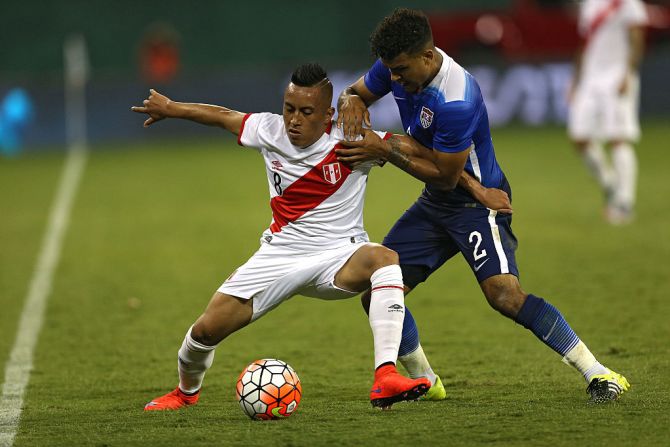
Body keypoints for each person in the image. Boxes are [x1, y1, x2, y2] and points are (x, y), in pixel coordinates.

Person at [336, 8, 629, 403]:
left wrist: (384, 147)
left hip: (476, 206)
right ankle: (427, 381)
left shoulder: (455, 97)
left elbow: (443, 173)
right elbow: (355, 90)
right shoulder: (398, 64)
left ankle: (599, 373)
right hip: (436, 202)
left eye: (401, 69)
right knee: (378, 290)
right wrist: (350, 98)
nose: (393, 79)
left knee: (505, 295)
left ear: (427, 56)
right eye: (389, 70)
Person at [131, 63, 433, 411]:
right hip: (278, 255)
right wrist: (171, 109)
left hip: (339, 256)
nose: (294, 120)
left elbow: (420, 154)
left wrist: (387, 152)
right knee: (203, 333)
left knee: (384, 258)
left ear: (328, 115)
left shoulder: (353, 140)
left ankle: (385, 376)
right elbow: (222, 116)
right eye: (289, 109)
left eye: (306, 112)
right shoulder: (267, 129)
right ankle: (185, 393)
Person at [568, 0, 647, 225]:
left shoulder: (628, 3)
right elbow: (587, 44)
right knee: (579, 138)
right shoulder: (589, 4)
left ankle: (625, 203)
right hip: (591, 79)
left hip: (616, 75)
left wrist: (629, 73)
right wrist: (575, 81)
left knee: (618, 138)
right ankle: (611, 183)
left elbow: (636, 37)